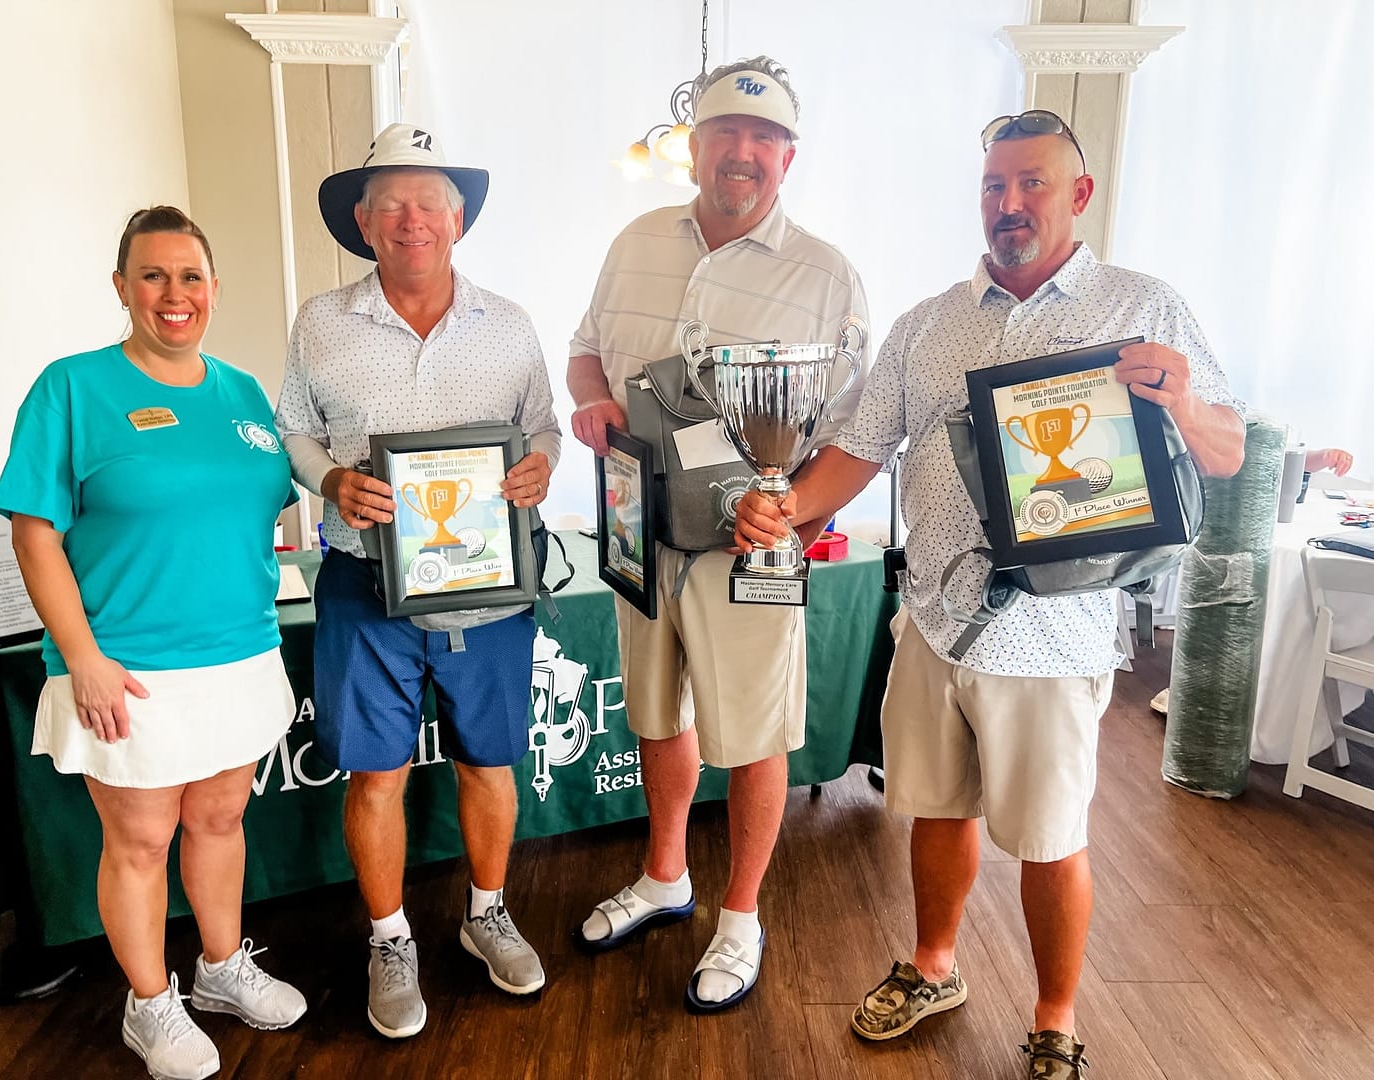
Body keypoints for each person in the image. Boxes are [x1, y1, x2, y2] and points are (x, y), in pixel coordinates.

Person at [735, 109, 1245, 1077]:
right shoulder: (928, 325)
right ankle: (934, 967)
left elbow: (1226, 450)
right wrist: (786, 507)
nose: (1009, 206)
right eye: (994, 187)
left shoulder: (1143, 308)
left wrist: (1180, 399)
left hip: (1055, 639)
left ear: (1078, 195)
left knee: (1053, 842)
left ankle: (1055, 1020)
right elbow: (859, 444)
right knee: (938, 810)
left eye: (1032, 185)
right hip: (936, 622)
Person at [567, 56, 868, 1012]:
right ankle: (666, 876)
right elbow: (585, 348)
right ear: (692, 149)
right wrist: (589, 405)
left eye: (761, 141)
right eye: (722, 136)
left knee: (753, 732)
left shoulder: (825, 276)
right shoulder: (635, 240)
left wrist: (793, 507)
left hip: (756, 542)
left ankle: (741, 913)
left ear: (787, 158)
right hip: (639, 523)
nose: (740, 155)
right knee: (658, 713)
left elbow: (859, 436)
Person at [0, 207, 307, 1080]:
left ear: (213, 288)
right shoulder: (72, 388)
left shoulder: (244, 393)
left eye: (192, 276)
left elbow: (253, 510)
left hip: (240, 652)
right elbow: (34, 533)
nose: (176, 294)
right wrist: (81, 656)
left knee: (220, 819)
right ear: (124, 287)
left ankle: (219, 969)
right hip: (127, 667)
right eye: (155, 276)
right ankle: (150, 1004)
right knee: (140, 842)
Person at [274, 124, 561, 1039]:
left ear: (460, 218)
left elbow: (544, 429)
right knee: (377, 776)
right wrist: (329, 480)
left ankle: (486, 913)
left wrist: (541, 468)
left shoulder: (509, 324)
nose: (411, 220)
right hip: (367, 585)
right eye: (390, 203)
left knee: (489, 762)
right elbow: (294, 432)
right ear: (362, 220)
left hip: (492, 587)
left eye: (429, 202)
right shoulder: (321, 321)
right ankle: (390, 939)